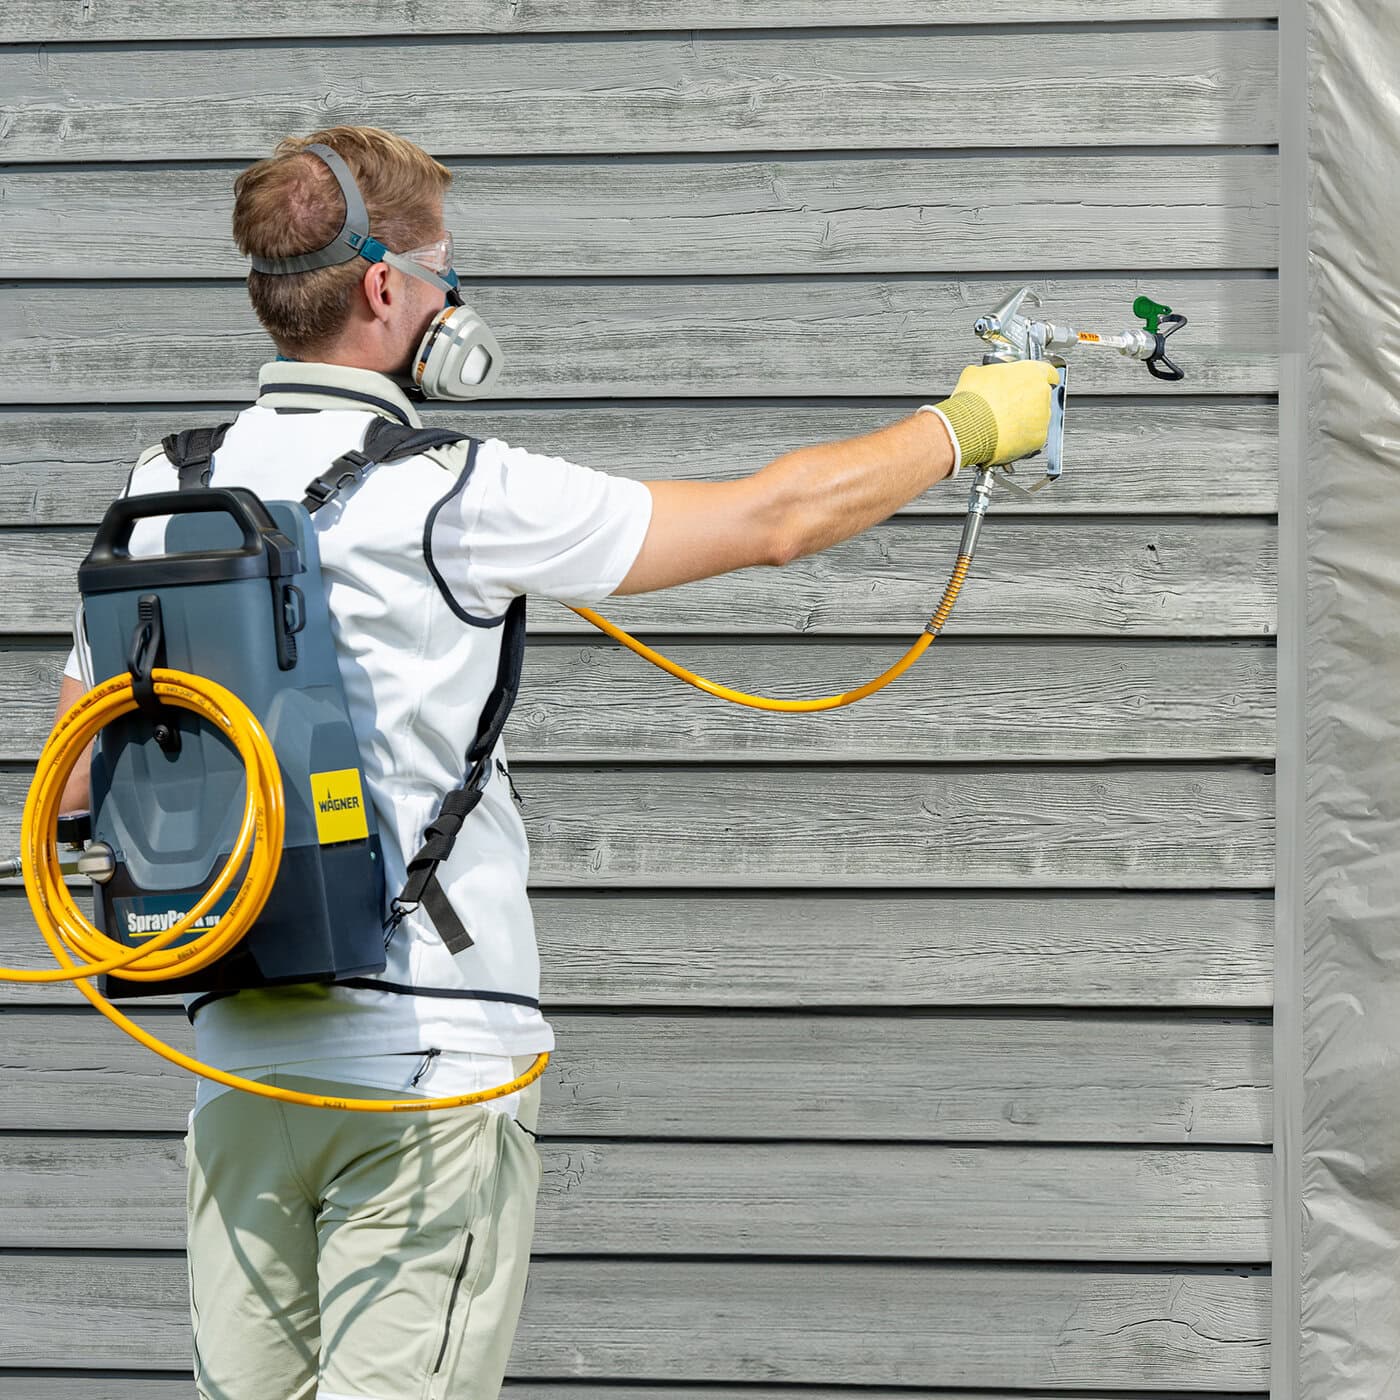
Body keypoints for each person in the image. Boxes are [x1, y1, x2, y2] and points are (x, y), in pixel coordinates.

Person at [51, 126, 1058, 1400]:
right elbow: (775, 518)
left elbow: (75, 780)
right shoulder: (456, 490)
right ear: (384, 288)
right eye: (444, 271)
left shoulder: (164, 488)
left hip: (235, 1062)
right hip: (426, 1065)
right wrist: (966, 424)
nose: (453, 299)